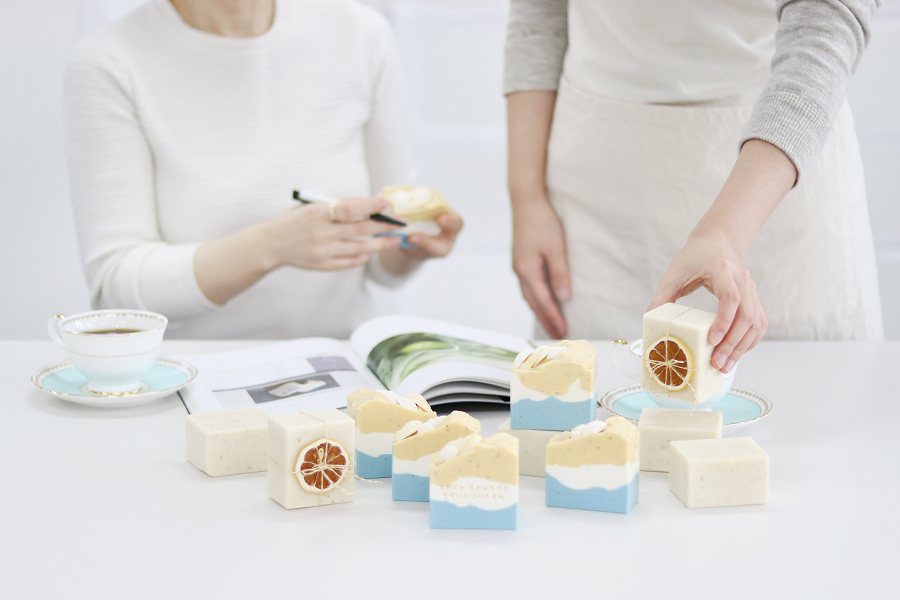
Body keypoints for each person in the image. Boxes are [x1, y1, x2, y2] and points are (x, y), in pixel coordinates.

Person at [504, 0, 884, 373]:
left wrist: (724, 234)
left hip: (773, 177)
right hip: (597, 200)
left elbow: (827, 26)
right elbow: (539, 11)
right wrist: (526, 196)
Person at [64, 0, 463, 339]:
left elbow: (383, 267)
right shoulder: (110, 60)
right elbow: (116, 290)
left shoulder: (361, 33)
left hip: (338, 369)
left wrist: (412, 245)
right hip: (188, 378)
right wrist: (273, 245)